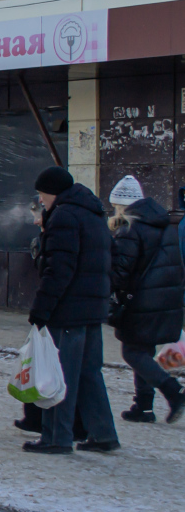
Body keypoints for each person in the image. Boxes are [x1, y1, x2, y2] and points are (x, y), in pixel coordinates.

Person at [25, 167, 120, 454]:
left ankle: (57, 437)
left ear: (52, 192)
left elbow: (59, 269)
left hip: (68, 310)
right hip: (92, 308)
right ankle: (103, 434)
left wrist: (41, 309)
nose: (42, 201)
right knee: (90, 373)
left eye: (42, 195)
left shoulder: (64, 216)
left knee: (60, 374)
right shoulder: (94, 214)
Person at [107, 175, 185, 424]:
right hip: (166, 298)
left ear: (120, 204)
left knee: (132, 352)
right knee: (143, 350)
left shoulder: (130, 227)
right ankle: (143, 407)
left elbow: (121, 270)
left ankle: (174, 392)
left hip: (142, 301)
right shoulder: (163, 223)